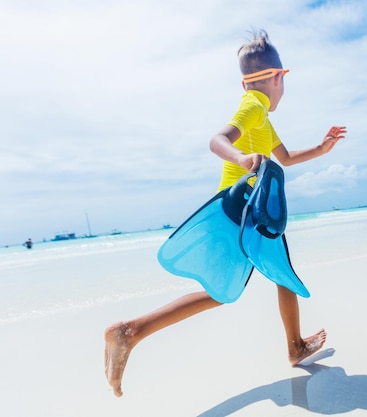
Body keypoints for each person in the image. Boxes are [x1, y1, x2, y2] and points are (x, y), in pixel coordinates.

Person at [104, 30, 347, 397]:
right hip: (247, 210)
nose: (284, 87)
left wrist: (322, 148)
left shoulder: (262, 116)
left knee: (251, 282)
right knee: (245, 283)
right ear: (277, 77)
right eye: (283, 80)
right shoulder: (251, 106)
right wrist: (240, 158)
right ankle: (130, 331)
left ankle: (133, 331)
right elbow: (217, 140)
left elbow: (285, 158)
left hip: (246, 210)